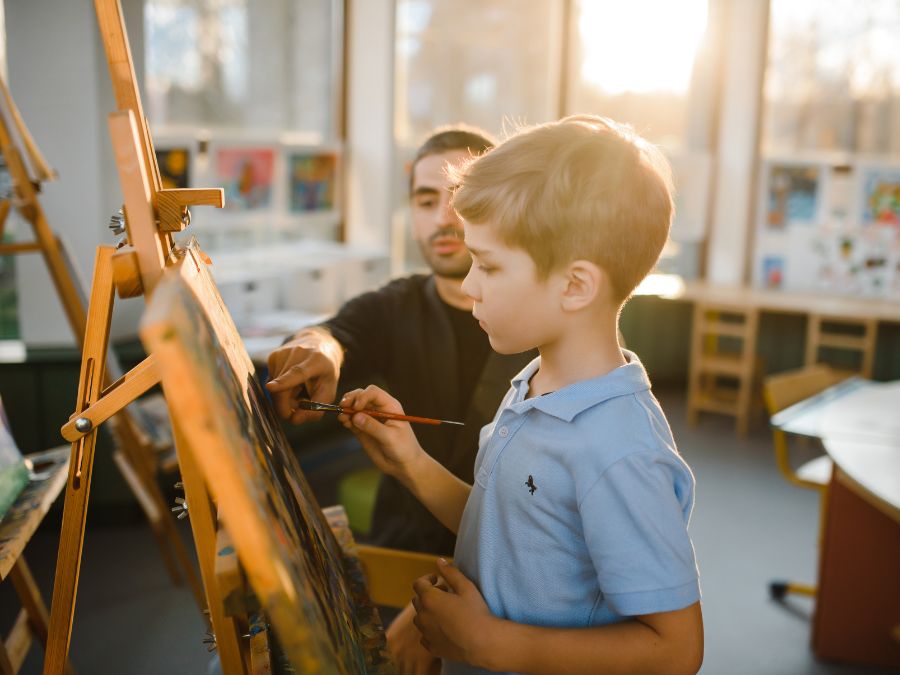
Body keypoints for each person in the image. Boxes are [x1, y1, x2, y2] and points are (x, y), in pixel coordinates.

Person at [336, 115, 704, 674]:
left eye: (487, 265)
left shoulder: (620, 450)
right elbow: (506, 531)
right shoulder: (531, 383)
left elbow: (676, 650)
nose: (468, 284)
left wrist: (492, 645)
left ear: (575, 286)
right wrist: (411, 462)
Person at [266, 127, 536, 556]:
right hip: (405, 550)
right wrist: (319, 346)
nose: (443, 218)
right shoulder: (396, 305)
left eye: (461, 197)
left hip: (518, 561)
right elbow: (338, 333)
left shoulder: (549, 318)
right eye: (426, 201)